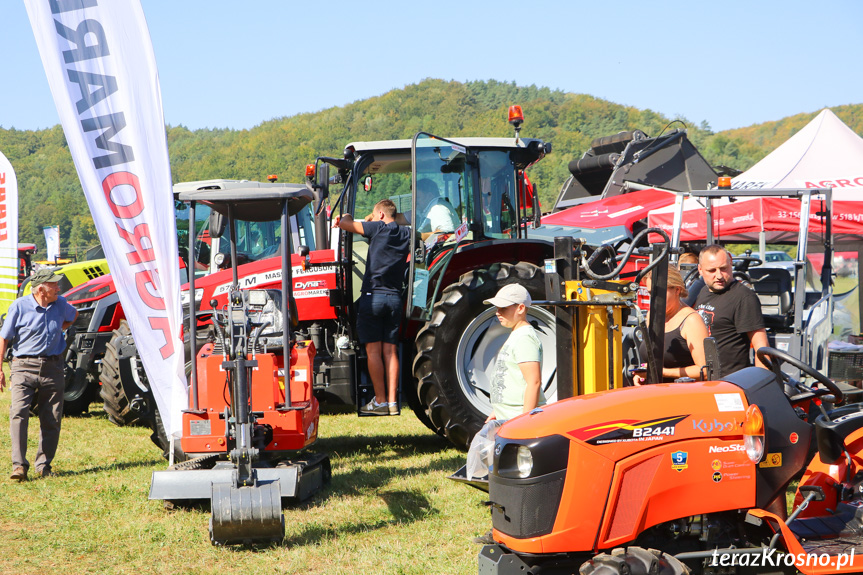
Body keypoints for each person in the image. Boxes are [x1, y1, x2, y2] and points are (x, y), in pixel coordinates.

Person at [335, 199, 411, 415]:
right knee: (391, 350)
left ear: (379, 215)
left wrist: (360, 217)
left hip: (373, 296)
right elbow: (402, 222)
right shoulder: (405, 234)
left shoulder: (376, 227)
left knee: (373, 351)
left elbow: (345, 223)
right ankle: (393, 402)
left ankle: (380, 401)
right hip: (395, 298)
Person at [0, 268, 77, 481]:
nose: (59, 288)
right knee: (18, 413)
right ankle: (19, 466)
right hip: (23, 367)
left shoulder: (60, 303)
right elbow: (4, 338)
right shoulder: (19, 306)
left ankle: (43, 465)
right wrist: (0, 370)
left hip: (53, 367)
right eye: (54, 285)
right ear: (41, 289)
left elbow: (74, 315)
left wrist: (59, 329)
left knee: (51, 418)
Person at [694, 244, 768, 377]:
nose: (719, 276)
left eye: (724, 268)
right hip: (703, 380)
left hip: (730, 381)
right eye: (712, 270)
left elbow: (761, 348)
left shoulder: (744, 297)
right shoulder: (703, 292)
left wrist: (762, 384)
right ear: (700, 270)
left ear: (731, 264)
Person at [634, 266, 709, 384]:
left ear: (677, 290)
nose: (653, 298)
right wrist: (641, 375)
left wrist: (662, 372)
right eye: (650, 293)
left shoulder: (691, 321)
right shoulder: (651, 315)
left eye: (658, 292)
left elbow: (704, 370)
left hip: (681, 396)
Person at [483, 284, 545, 422]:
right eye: (497, 308)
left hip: (518, 418)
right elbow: (511, 377)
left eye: (503, 308)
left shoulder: (525, 338)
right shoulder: (517, 334)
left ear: (521, 308)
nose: (497, 312)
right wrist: (497, 411)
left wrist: (525, 421)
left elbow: (534, 382)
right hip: (508, 416)